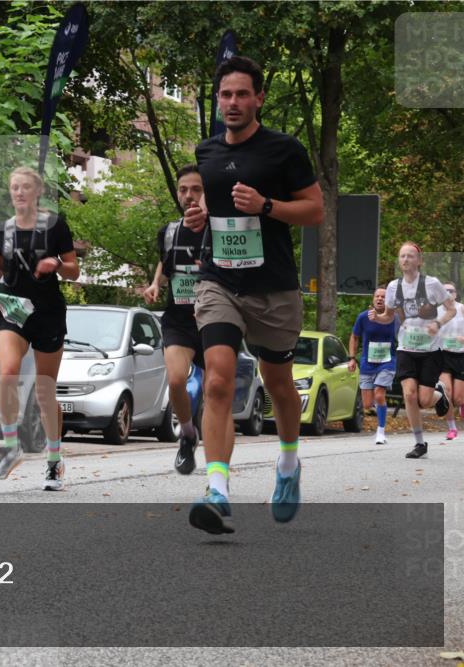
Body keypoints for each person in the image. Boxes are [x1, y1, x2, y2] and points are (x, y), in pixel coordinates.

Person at [182, 56, 324, 534]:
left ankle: (287, 466)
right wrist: (199, 214)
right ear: (217, 99)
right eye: (226, 95)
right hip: (219, 279)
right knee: (219, 379)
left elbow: (315, 211)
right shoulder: (206, 151)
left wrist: (267, 205)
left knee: (279, 384)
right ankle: (217, 490)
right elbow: (210, 203)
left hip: (273, 288)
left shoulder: (284, 150)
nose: (233, 103)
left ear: (259, 98)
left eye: (243, 94)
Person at [0, 166, 79, 490]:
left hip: (47, 312)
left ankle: (54, 461)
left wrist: (56, 263)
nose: (18, 192)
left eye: (25, 188)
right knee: (8, 373)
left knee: (45, 391)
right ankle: (9, 448)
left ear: (37, 192)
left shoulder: (55, 226)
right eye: (14, 187)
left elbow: (74, 270)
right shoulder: (1, 229)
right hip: (14, 309)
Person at [142, 164, 209, 474]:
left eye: (196, 189)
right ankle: (187, 433)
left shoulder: (219, 229)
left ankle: (217, 468)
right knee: (176, 379)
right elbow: (165, 264)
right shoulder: (169, 231)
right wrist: (156, 283)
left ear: (207, 193)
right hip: (179, 318)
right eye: (183, 190)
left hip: (213, 318)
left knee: (214, 390)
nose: (189, 195)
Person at [370, 242, 454, 458]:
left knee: (425, 400)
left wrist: (438, 323)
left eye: (410, 256)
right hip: (406, 348)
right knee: (409, 394)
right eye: (402, 256)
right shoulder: (393, 287)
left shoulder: (432, 284)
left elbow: (451, 310)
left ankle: (439, 394)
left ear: (419, 260)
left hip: (430, 351)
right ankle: (419, 443)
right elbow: (388, 316)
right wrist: (378, 317)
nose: (405, 260)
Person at [348, 287, 399, 444]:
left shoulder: (395, 318)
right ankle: (381, 407)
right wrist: (351, 358)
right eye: (377, 296)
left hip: (388, 362)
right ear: (373, 299)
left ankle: (381, 432)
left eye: (383, 297)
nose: (380, 299)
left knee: (379, 394)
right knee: (367, 403)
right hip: (367, 363)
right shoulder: (363, 317)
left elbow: (404, 335)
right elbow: (354, 337)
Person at [437, 282, 464, 440]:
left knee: (458, 398)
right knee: (446, 393)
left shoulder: (461, 309)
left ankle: (462, 403)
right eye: (444, 291)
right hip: (443, 356)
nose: (447, 293)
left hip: (461, 356)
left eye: (451, 291)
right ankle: (452, 428)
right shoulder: (436, 312)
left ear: (455, 293)